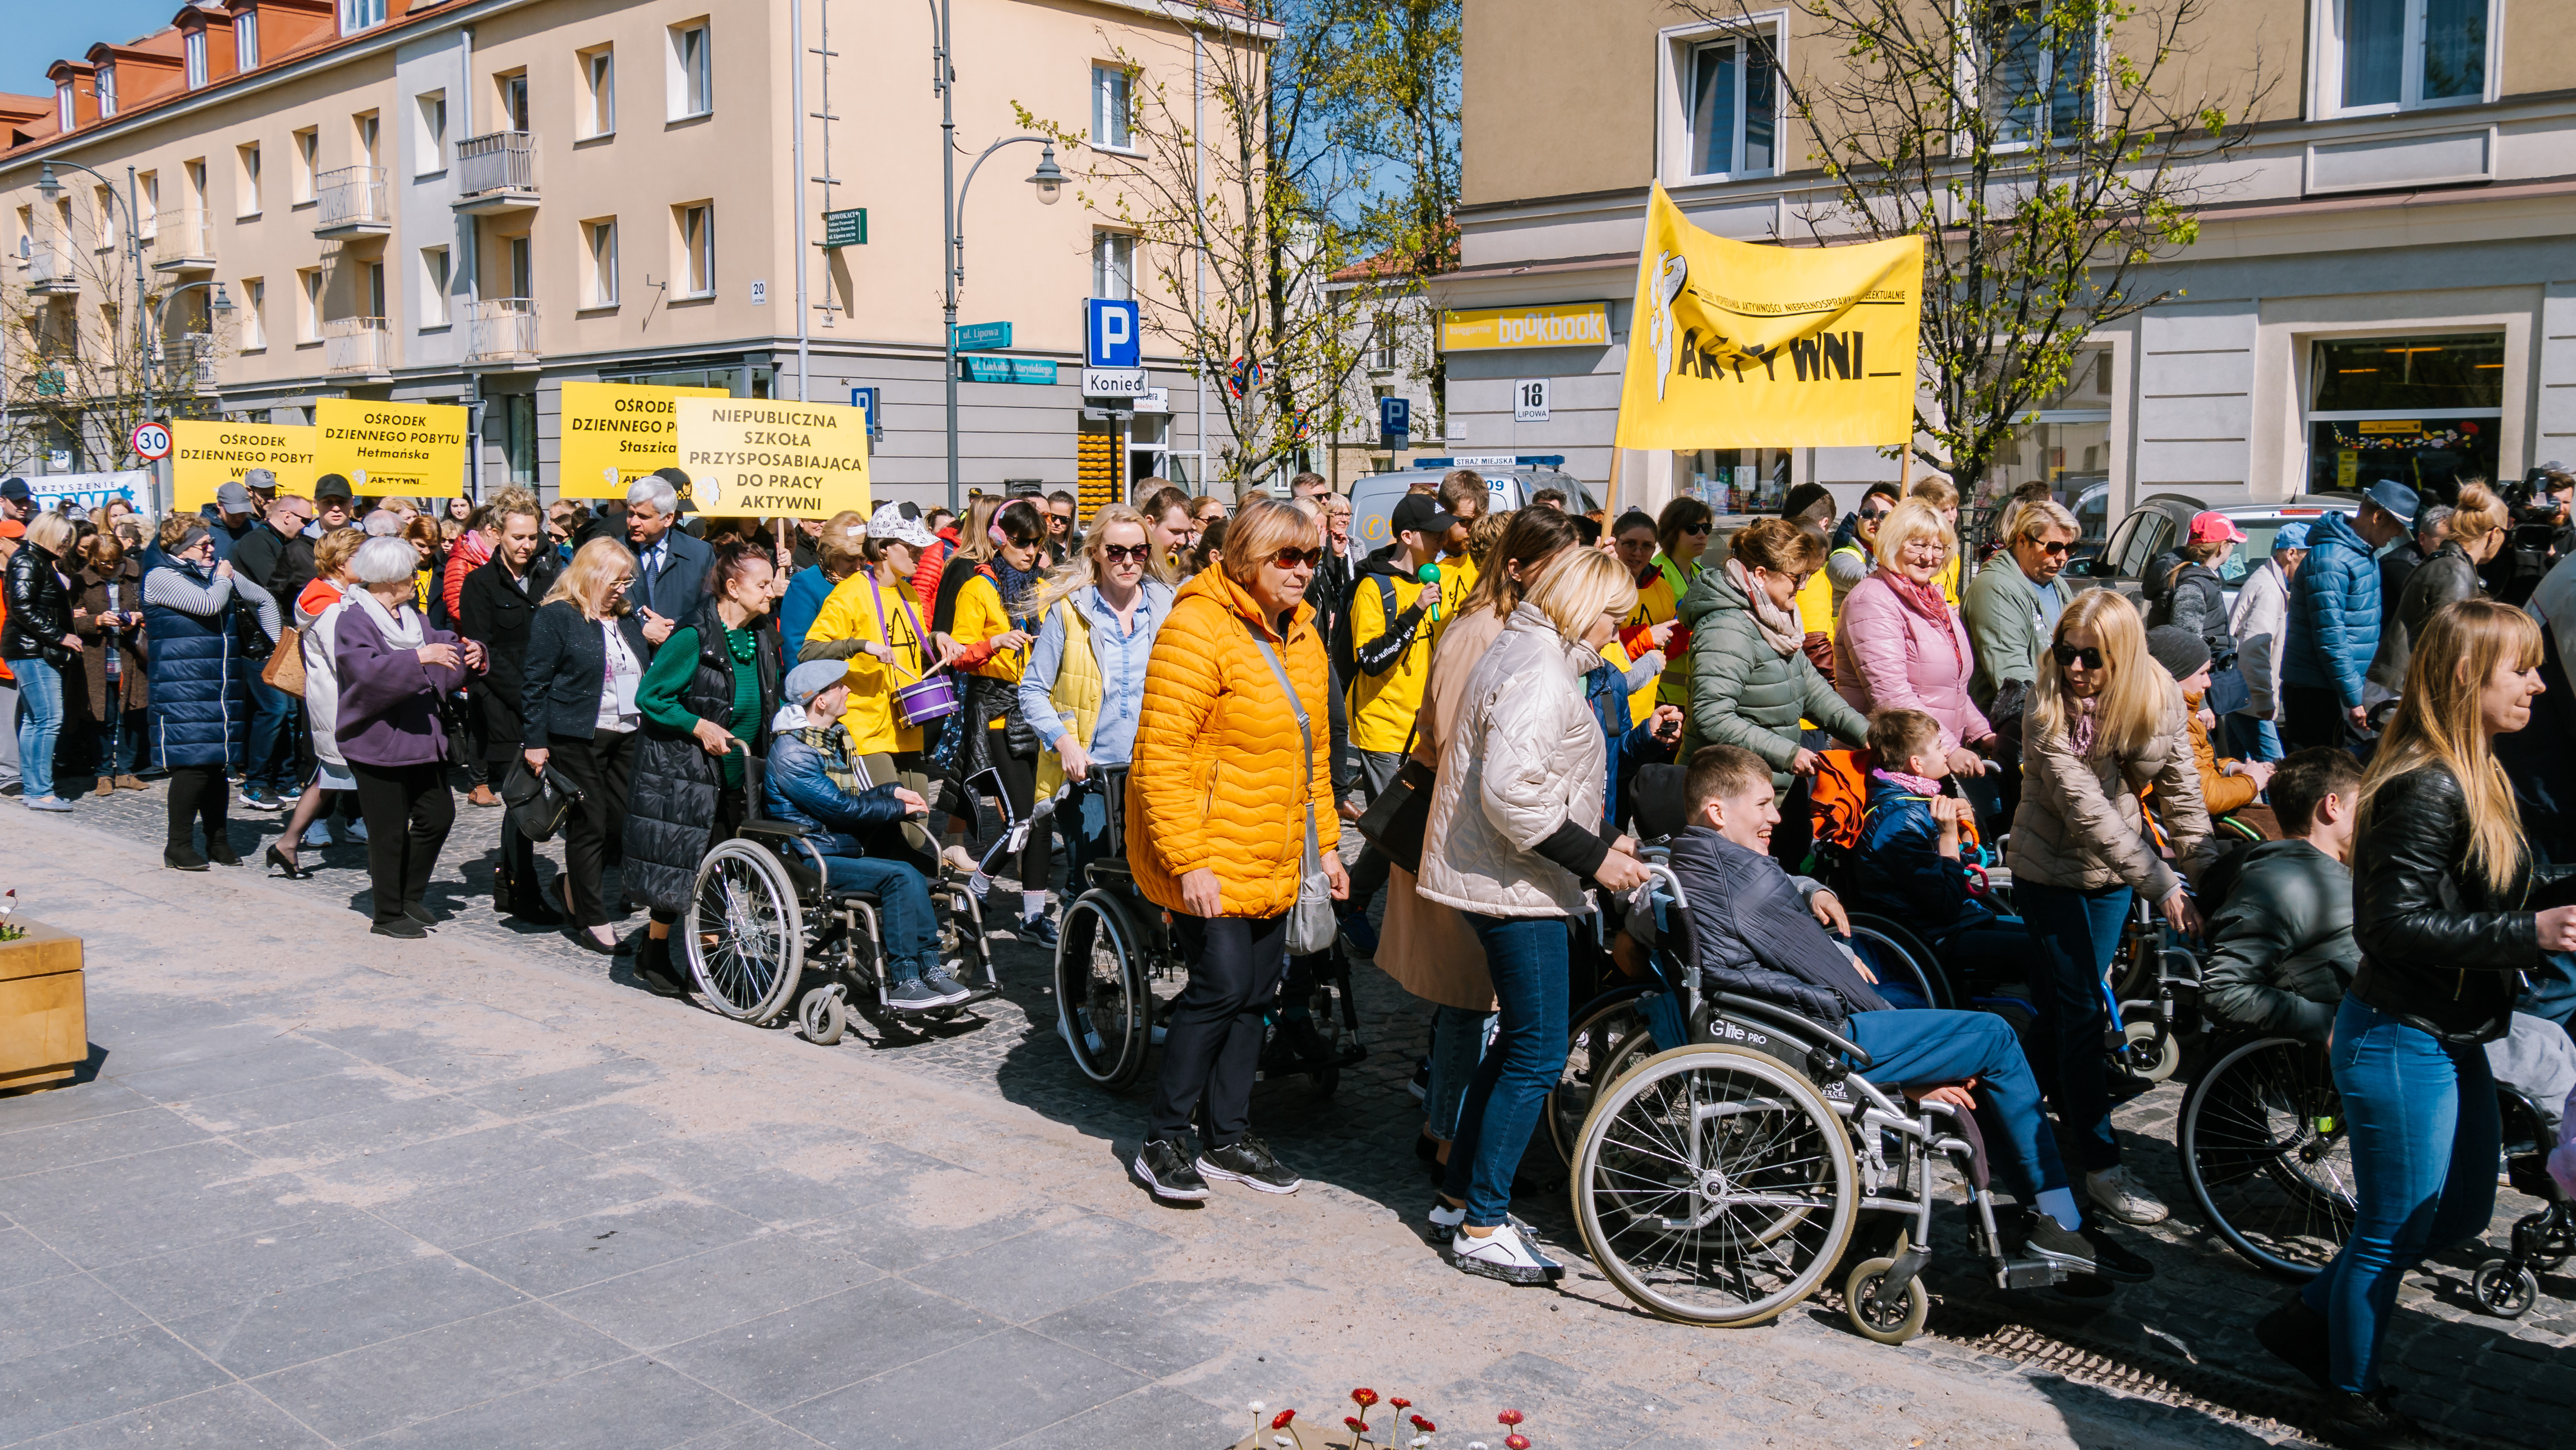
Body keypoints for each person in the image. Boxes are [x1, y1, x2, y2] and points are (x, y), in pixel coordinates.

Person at [2255, 600, 2576, 1447]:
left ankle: (2306, 1320)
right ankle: (2351, 1400)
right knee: (2391, 1231)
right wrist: (2531, 933)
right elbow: (2390, 926)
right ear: (2467, 676)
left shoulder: (2477, 770)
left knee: (2461, 1212)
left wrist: (2547, 907)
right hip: (2400, 1034)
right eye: (2521, 669)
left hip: (2451, 1030)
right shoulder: (2423, 785)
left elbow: (2486, 891)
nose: (2539, 685)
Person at [1671, 741, 2149, 1282]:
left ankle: (2046, 1217)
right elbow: (1839, 981)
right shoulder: (1749, 881)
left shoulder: (1689, 857)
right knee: (1994, 1037)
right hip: (1813, 1035)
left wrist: (1810, 891)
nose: (1777, 817)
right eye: (1763, 805)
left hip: (1777, 1020)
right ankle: (2058, 1218)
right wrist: (1913, 1068)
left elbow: (1779, 909)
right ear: (1718, 812)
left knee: (1976, 1056)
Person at [1415, 548, 1649, 1281]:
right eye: (1613, 618)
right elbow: (1512, 793)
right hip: (1517, 886)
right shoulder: (1540, 669)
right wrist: (1597, 858)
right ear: (1583, 606)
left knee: (1517, 1044)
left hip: (1509, 877)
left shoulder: (1525, 650)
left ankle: (1460, 1201)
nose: (1616, 634)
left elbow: (1534, 781)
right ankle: (1483, 1225)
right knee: (1539, 1053)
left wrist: (1604, 839)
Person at [1129, 498, 1347, 1203]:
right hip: (1207, 847)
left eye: (1310, 557)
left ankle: (1227, 1135)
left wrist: (1328, 848)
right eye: (1287, 556)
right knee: (1220, 986)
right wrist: (1188, 861)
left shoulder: (1304, 634)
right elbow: (1159, 759)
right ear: (1248, 558)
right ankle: (1163, 1138)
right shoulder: (1196, 625)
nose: (1302, 570)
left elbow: (1314, 754)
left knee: (1255, 994)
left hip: (1273, 847)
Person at [1380, 508, 1581, 1174]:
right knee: (1468, 999)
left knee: (1481, 1002)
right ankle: (1448, 1140)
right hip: (1467, 836)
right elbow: (1453, 741)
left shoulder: (1524, 630)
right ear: (1519, 569)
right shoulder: (1480, 632)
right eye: (1559, 568)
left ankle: (1454, 1136)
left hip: (1491, 838)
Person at [2012, 589, 2206, 1224]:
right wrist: (2164, 885)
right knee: (2079, 1012)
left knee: (2058, 1011)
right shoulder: (2046, 702)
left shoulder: (2157, 693)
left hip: (2113, 874)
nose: (2074, 667)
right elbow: (2086, 811)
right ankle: (2101, 1166)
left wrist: (2206, 870)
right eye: (2065, 651)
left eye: (2091, 657)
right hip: (2048, 869)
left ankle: (2003, 1113)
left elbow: (2182, 790)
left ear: (2122, 655)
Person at [624, 542, 783, 990]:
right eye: (762, 584)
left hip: (739, 774)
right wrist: (697, 725)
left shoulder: (759, 634)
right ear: (732, 588)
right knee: (684, 864)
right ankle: (659, 953)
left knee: (721, 868)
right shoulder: (694, 635)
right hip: (689, 773)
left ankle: (707, 958)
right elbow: (651, 696)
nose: (771, 591)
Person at [763, 659, 967, 1008]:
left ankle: (930, 968)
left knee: (914, 868)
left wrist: (891, 792)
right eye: (840, 686)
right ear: (820, 701)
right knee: (901, 876)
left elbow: (849, 798)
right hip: (811, 857)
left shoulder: (827, 740)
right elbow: (841, 809)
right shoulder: (793, 752)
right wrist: (897, 808)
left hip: (839, 845)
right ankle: (905, 978)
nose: (848, 690)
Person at [1678, 517, 1869, 870]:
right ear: (1761, 575)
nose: (1803, 586)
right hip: (1732, 797)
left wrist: (1870, 736)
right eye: (1797, 577)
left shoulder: (1777, 617)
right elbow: (1712, 716)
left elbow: (1814, 692)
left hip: (1774, 787)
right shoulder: (1726, 626)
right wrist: (1789, 753)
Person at [334, 536, 483, 937]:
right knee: (388, 833)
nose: (416, 580)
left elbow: (442, 652)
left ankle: (409, 895)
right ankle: (387, 914)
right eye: (409, 574)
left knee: (438, 816)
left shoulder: (411, 617)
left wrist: (471, 655)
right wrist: (419, 657)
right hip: (377, 742)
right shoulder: (354, 619)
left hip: (421, 737)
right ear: (388, 579)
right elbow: (367, 675)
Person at [1019, 504, 1174, 890]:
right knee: (1090, 882)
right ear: (1096, 553)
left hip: (1153, 772)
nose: (1129, 562)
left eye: (1139, 551)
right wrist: (1065, 744)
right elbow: (1032, 690)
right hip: (1090, 775)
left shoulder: (1169, 607)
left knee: (1151, 884)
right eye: (1116, 552)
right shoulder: (1069, 611)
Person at [1849, 708, 2040, 1001]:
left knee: (2052, 939)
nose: (1946, 752)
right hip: (1933, 939)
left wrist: (1965, 833)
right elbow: (1944, 903)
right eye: (1939, 747)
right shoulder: (1898, 821)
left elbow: (1958, 876)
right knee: (2047, 953)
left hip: (1958, 922)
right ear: (1917, 764)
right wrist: (1948, 838)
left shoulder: (1919, 802)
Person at [522, 539, 653, 957]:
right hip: (578, 735)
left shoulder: (627, 617)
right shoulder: (557, 616)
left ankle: (572, 885)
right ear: (592, 575)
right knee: (589, 825)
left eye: (627, 581)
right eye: (616, 581)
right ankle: (593, 919)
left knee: (622, 822)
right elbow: (535, 684)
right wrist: (535, 741)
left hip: (628, 732)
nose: (623, 589)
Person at [799, 502, 949, 859]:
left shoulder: (907, 592)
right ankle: (880, 884)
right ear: (883, 549)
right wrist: (860, 645)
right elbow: (808, 651)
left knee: (916, 829)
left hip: (907, 725)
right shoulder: (850, 593)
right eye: (910, 547)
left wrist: (937, 638)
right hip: (866, 730)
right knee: (887, 825)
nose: (919, 554)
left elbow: (907, 644)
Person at [947, 499, 1056, 942]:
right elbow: (957, 655)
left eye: (1036, 543)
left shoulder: (1042, 587)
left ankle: (1033, 916)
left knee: (1042, 816)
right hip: (995, 709)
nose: (1030, 551)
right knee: (1020, 820)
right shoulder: (978, 588)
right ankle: (973, 891)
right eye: (1021, 542)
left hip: (1038, 708)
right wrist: (994, 642)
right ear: (999, 539)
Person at [2201, 747, 2362, 1041]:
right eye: (2361, 806)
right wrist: (2326, 1026)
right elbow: (2224, 992)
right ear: (2333, 805)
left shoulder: (2333, 870)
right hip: (2353, 1038)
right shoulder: (2279, 885)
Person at [145, 517, 280, 867]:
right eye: (203, 544)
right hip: (182, 685)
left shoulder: (213, 573)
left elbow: (264, 599)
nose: (211, 549)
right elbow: (208, 605)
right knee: (192, 766)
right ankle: (178, 846)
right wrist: (223, 578)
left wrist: (277, 650)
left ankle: (217, 842)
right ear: (180, 549)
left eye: (211, 543)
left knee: (218, 765)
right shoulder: (160, 576)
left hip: (220, 685)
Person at [1832, 499, 1997, 776]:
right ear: (1893, 543)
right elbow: (1891, 694)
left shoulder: (1932, 598)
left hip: (1930, 761)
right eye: (1918, 545)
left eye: (1938, 548)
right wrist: (1950, 749)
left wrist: (1982, 733)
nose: (1929, 557)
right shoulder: (1872, 600)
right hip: (1887, 767)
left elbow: (1952, 689)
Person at [459, 491, 564, 920]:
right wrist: (529, 698)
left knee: (538, 795)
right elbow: (484, 655)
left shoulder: (549, 577)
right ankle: (521, 889)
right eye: (517, 537)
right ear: (497, 534)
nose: (526, 545)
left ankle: (511, 883)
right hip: (504, 707)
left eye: (532, 537)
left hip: (548, 702)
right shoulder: (479, 584)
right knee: (521, 798)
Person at [1962, 498, 2081, 823]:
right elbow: (2011, 676)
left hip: (2051, 722)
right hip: (2009, 735)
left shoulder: (2056, 584)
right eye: (2053, 547)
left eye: (2070, 548)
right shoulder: (1995, 587)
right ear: (2022, 541)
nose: (2062, 557)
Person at [270, 527, 369, 875]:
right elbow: (346, 658)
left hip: (342, 702)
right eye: (362, 556)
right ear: (342, 563)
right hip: (341, 704)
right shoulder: (326, 605)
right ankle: (390, 859)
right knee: (366, 778)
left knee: (329, 779)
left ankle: (287, 844)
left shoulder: (335, 595)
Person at [2281, 485, 2408, 750]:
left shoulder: (2361, 553)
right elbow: (2330, 637)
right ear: (2378, 517)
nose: (2399, 534)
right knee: (2318, 771)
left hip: (2340, 689)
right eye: (2398, 526)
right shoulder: (2331, 560)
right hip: (2320, 694)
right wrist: (2354, 699)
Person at [2368, 481, 2508, 696]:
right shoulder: (2456, 571)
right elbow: (2451, 652)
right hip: (2407, 692)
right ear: (2495, 533)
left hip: (2400, 687)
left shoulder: (2447, 562)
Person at [2147, 625, 2278, 842]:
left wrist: (2230, 768)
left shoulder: (2182, 714)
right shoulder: (2170, 722)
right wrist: (2252, 781)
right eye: (2202, 673)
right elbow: (2204, 796)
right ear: (2173, 676)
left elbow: (2196, 768)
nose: (2208, 682)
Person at [231, 492, 318, 811]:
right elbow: (275, 587)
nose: (307, 526)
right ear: (286, 516)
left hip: (280, 638)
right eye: (305, 520)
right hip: (258, 641)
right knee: (274, 709)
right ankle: (255, 784)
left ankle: (284, 779)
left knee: (289, 712)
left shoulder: (281, 542)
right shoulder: (257, 542)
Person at [3, 513, 82, 811]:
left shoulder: (35, 560)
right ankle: (41, 792)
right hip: (33, 652)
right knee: (48, 720)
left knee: (35, 721)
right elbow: (22, 608)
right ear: (49, 534)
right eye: (64, 539)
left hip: (31, 650)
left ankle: (34, 789)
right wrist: (61, 636)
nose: (67, 545)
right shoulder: (28, 560)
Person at [69, 531, 147, 796]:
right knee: (103, 719)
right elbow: (70, 620)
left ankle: (126, 772)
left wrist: (138, 616)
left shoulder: (137, 575)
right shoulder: (82, 580)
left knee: (132, 716)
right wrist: (96, 621)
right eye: (104, 562)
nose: (110, 567)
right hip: (98, 661)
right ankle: (103, 774)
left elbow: (154, 607)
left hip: (131, 658)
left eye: (115, 561)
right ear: (93, 558)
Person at [2225, 522, 2307, 765]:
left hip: (2240, 694)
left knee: (2237, 765)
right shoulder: (2270, 591)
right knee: (2275, 769)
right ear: (2291, 554)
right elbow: (2255, 649)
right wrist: (2263, 699)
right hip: (2250, 699)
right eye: (2307, 558)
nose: (2310, 567)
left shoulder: (2267, 580)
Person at [2142, 511, 2243, 682]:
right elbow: (2186, 648)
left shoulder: (2200, 578)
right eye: (2233, 543)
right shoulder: (2194, 585)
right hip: (2194, 682)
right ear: (2222, 546)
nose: (2233, 548)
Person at [625, 470, 712, 648]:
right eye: (631, 514)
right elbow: (596, 609)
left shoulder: (700, 554)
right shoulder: (609, 553)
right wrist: (640, 627)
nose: (634, 522)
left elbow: (712, 609)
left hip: (681, 654)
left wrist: (674, 628)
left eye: (644, 517)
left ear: (667, 519)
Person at [1611, 511, 1680, 723]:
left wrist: (1686, 630)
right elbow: (1597, 649)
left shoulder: (1662, 587)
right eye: (1630, 544)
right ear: (1614, 542)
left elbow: (1669, 651)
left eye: (1647, 546)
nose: (1638, 552)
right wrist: (1646, 637)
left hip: (1647, 710)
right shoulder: (1603, 588)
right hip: (1612, 707)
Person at [1649, 495, 1713, 710]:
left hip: (1696, 694)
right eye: (1693, 528)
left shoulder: (1702, 573)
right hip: (1662, 696)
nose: (1702, 535)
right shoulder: (1655, 573)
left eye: (1706, 528)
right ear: (1672, 531)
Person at [778, 510, 870, 658]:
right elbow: (795, 648)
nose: (858, 566)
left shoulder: (870, 577)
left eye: (863, 558)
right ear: (831, 554)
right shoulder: (806, 584)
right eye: (850, 559)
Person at [1828, 481, 1902, 612]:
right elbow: (1871, 584)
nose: (1875, 520)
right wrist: (1888, 540)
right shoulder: (1841, 557)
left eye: (1885, 515)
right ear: (1858, 520)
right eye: (1868, 513)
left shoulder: (1898, 555)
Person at [1907, 474, 1965, 605]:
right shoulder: (1917, 551)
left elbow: (1951, 596)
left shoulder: (1952, 548)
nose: (1951, 517)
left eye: (1953, 508)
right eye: (1944, 511)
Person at [1139, 484, 1197, 580]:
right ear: (1150, 523)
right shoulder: (1134, 564)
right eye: (1176, 532)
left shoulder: (1175, 560)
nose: (1183, 541)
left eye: (1186, 533)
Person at [1044, 490, 1080, 554]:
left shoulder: (1078, 551)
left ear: (1071, 521)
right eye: (1053, 517)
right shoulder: (1037, 547)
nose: (1057, 523)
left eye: (1064, 519)